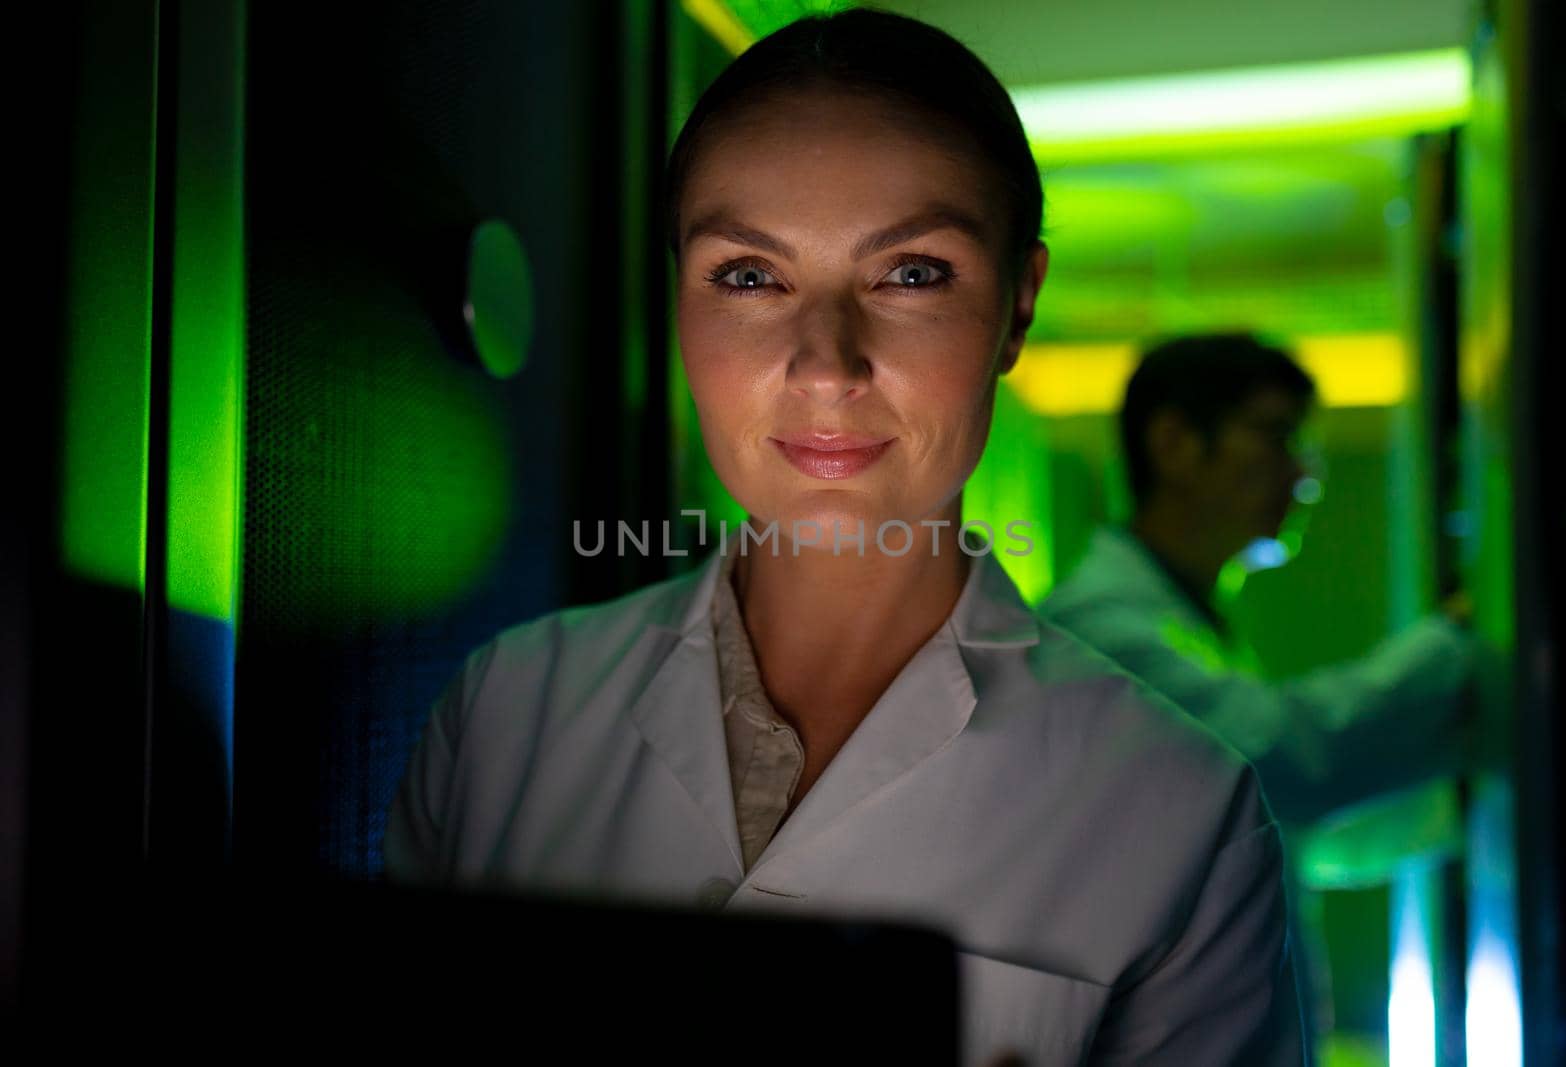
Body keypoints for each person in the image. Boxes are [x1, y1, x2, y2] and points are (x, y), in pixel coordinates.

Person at [385, 13, 1303, 1065]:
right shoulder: (502, 716)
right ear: (675, 294)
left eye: (911, 274)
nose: (826, 366)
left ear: (1017, 305)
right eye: (748, 275)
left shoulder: (1181, 810)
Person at [1037, 332, 1477, 1046]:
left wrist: (1468, 785)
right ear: (1176, 442)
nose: (1305, 473)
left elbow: (1288, 831)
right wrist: (1464, 636)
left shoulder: (1187, 629)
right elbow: (1279, 759)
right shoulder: (1094, 633)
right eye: (1275, 437)